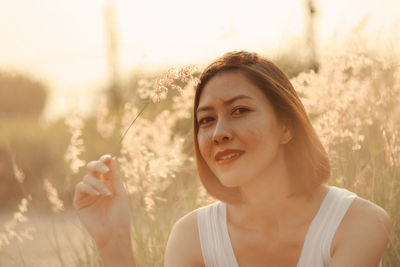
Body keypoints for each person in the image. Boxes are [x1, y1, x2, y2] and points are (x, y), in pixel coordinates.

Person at [73, 51, 391, 267]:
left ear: (286, 125)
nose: (219, 133)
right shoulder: (192, 237)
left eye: (239, 110)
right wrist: (112, 242)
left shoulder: (357, 224)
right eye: (206, 120)